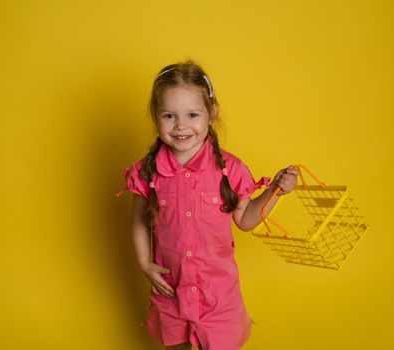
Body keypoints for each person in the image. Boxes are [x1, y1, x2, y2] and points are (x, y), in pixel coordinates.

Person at [118, 59, 299, 350]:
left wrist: (276, 190)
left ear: (211, 114)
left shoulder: (231, 169)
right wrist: (143, 263)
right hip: (171, 290)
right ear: (156, 116)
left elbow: (246, 219)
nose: (181, 126)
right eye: (169, 116)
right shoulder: (147, 171)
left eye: (192, 114)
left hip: (218, 294)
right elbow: (138, 219)